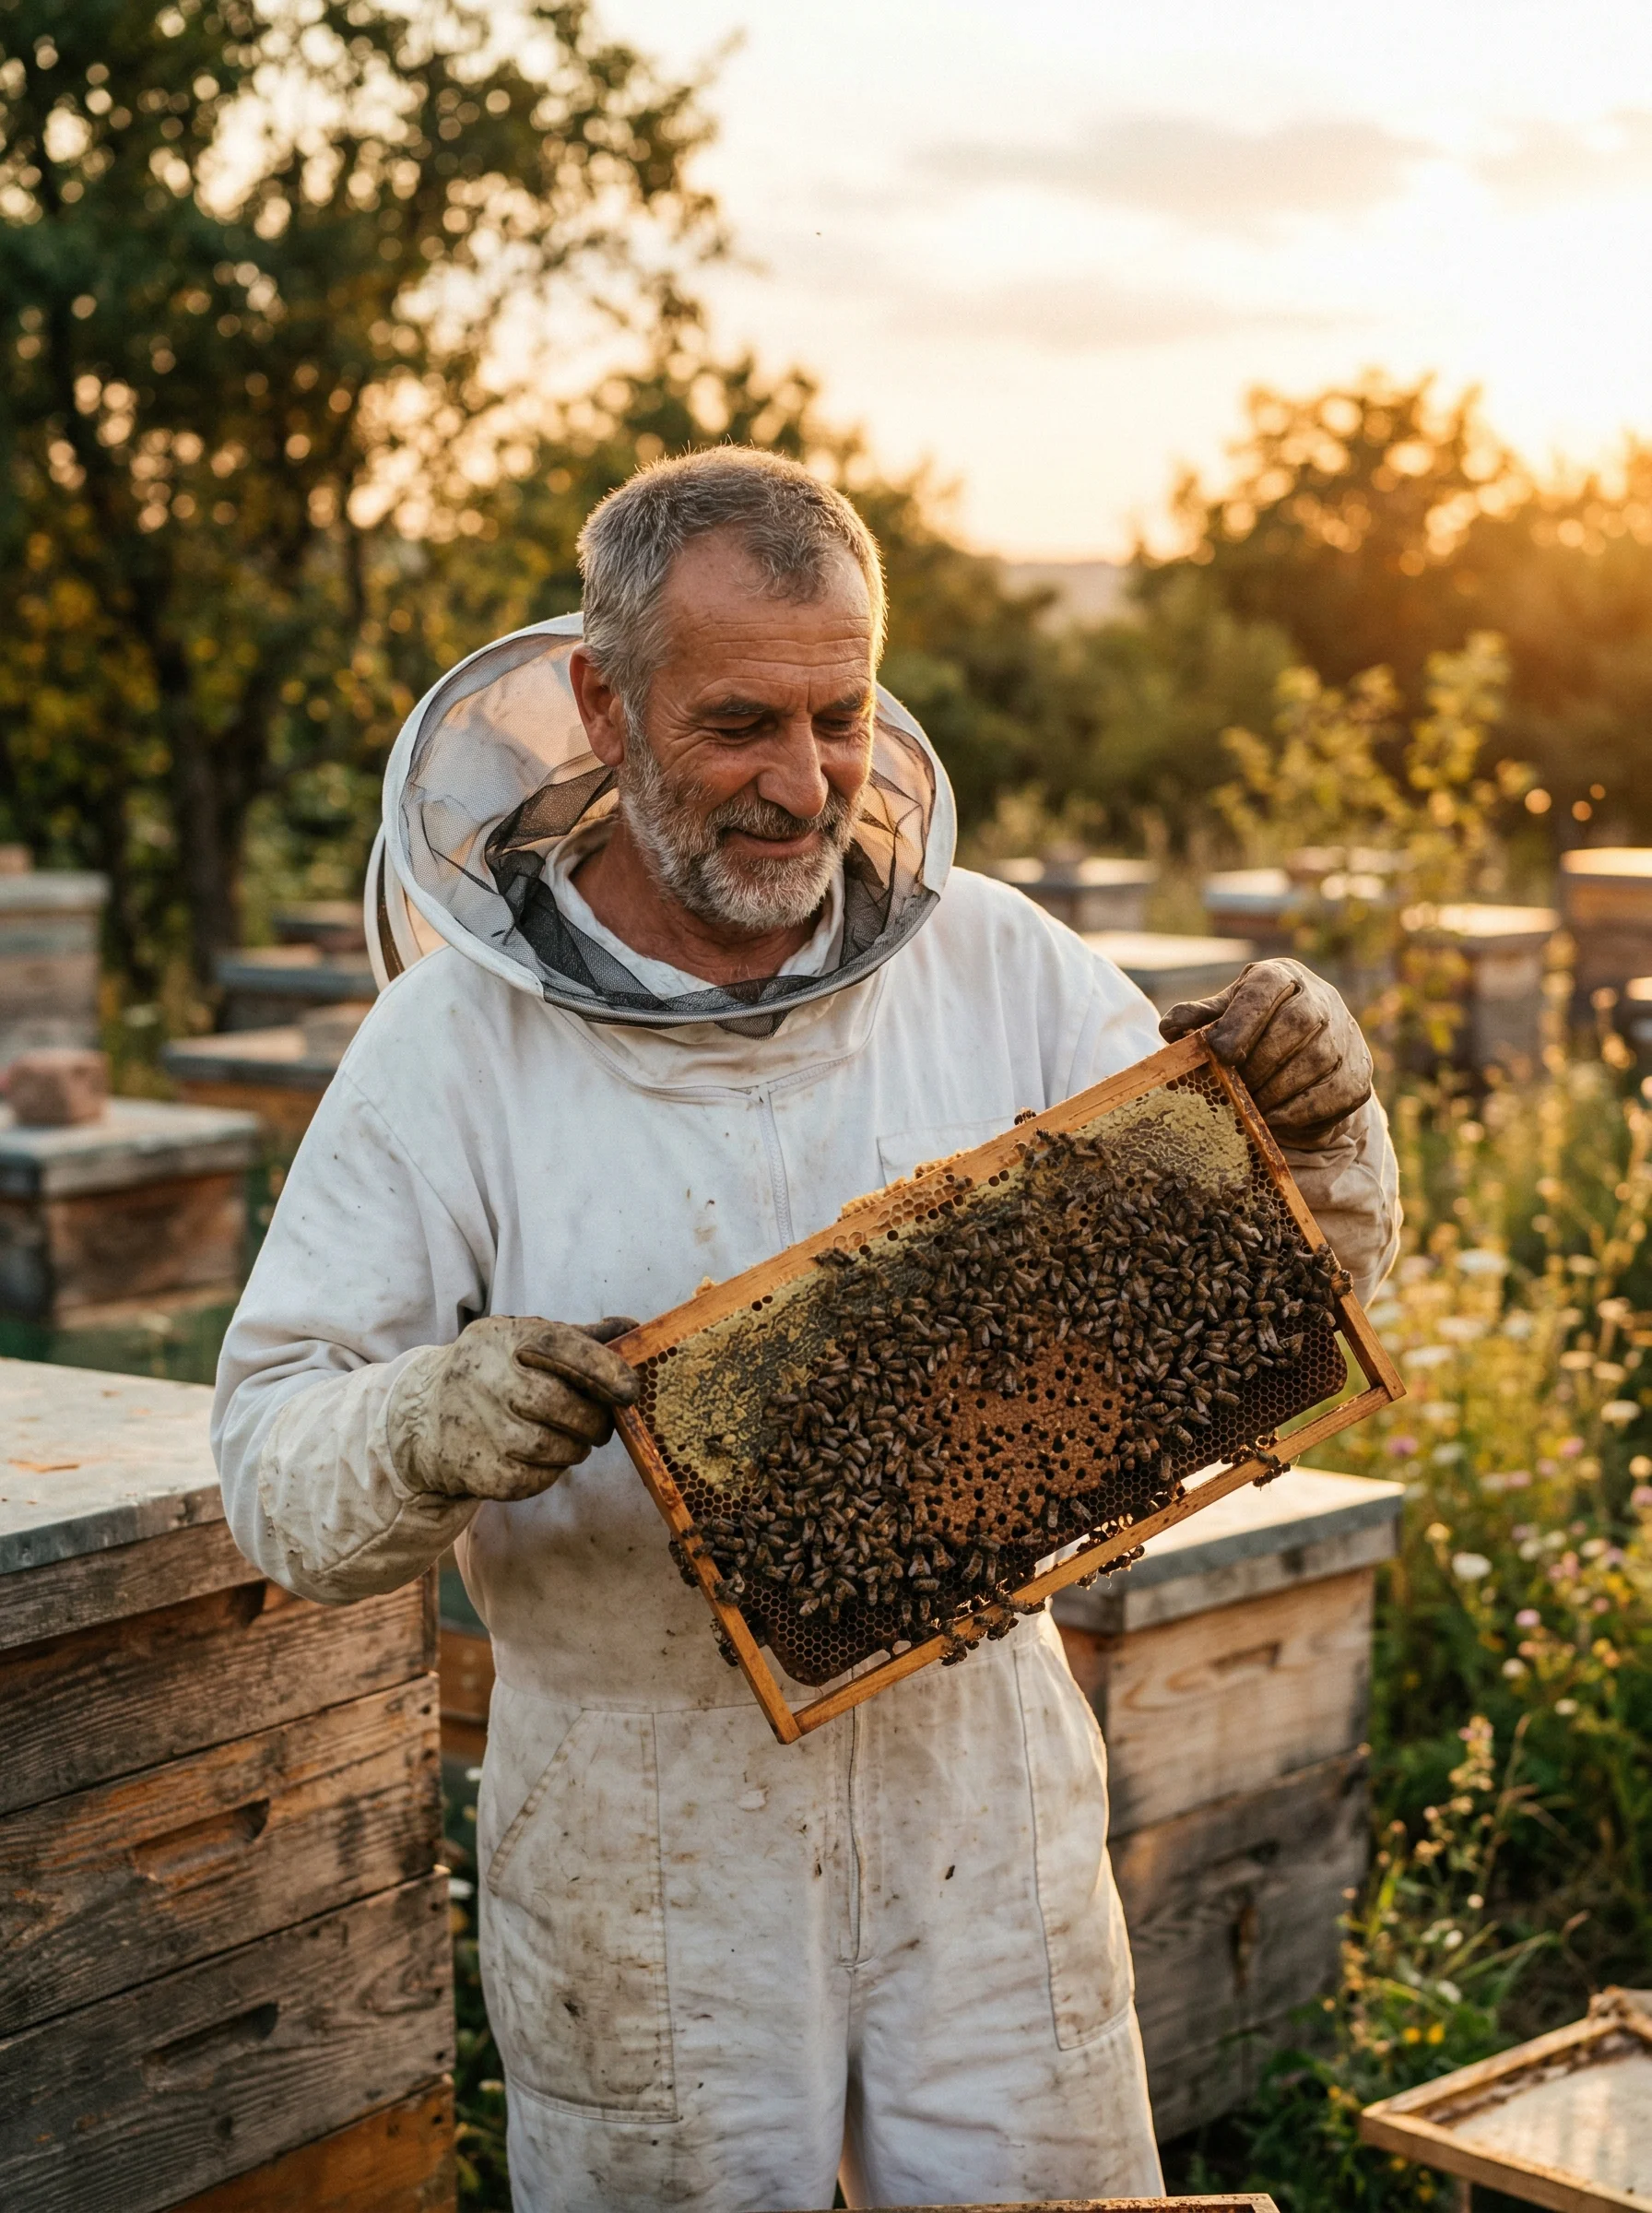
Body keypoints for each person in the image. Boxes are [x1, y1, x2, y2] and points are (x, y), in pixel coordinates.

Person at [214, 447, 1398, 2212]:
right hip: (641, 1833)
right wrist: (420, 1424)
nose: (801, 782)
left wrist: (1321, 1131)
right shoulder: (449, 1053)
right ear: (605, 707)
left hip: (982, 1797)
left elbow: (1291, 1297)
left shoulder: (1001, 968)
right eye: (740, 724)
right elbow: (267, 1457)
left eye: (838, 719)